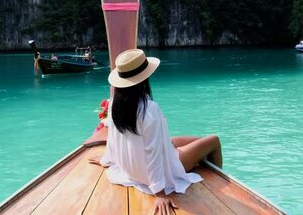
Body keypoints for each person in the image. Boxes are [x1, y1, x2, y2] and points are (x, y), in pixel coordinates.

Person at [89, 49, 222, 214]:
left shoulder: (115, 103)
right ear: (144, 78)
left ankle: (196, 154)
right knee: (213, 141)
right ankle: (219, 191)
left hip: (131, 170)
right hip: (161, 173)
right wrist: (159, 192)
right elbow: (153, 153)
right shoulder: (149, 110)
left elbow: (114, 138)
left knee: (191, 140)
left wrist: (106, 160)